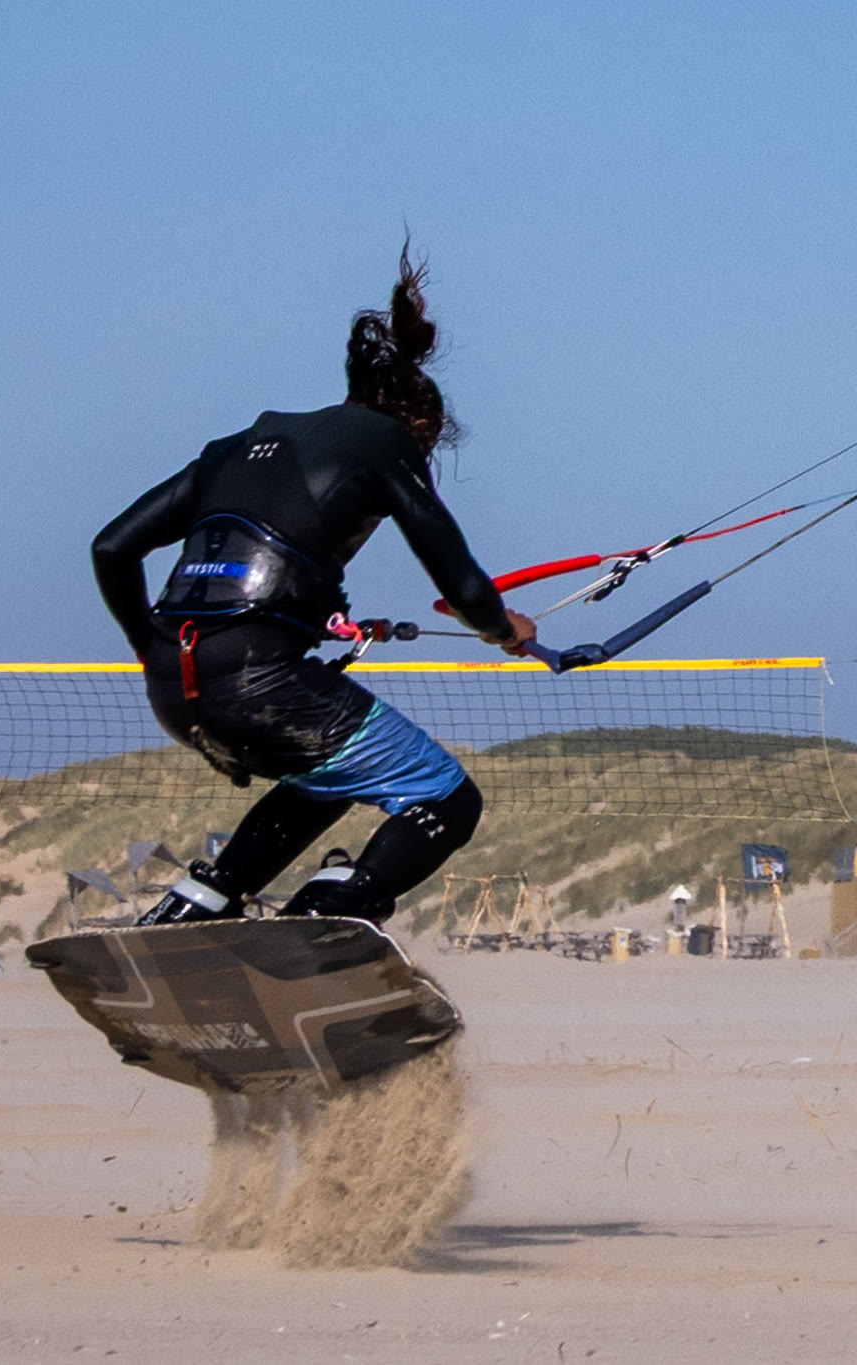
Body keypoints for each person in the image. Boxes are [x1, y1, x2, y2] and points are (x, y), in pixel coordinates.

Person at [91, 249, 534, 926]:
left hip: (173, 690)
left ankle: (205, 899)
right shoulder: (385, 441)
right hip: (263, 686)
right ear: (419, 428)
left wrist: (146, 645)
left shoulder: (234, 447)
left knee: (328, 773)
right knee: (447, 798)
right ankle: (332, 910)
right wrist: (503, 629)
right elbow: (466, 586)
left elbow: (111, 547)